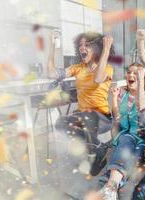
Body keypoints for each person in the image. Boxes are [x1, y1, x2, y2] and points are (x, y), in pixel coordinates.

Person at [48, 31, 115, 176]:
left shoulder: (107, 68)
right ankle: (96, 147)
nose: (82, 48)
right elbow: (52, 73)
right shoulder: (78, 68)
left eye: (87, 45)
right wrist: (52, 45)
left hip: (102, 117)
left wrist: (106, 49)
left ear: (97, 48)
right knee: (61, 122)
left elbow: (98, 79)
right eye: (80, 45)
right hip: (83, 115)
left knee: (86, 119)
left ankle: (95, 150)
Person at [97, 63, 145, 200]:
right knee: (127, 143)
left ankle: (108, 185)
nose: (131, 75)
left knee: (134, 157)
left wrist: (141, 82)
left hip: (142, 138)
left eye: (136, 73)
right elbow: (116, 119)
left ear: (144, 79)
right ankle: (111, 189)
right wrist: (115, 101)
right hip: (126, 135)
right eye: (129, 72)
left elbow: (141, 106)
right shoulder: (122, 93)